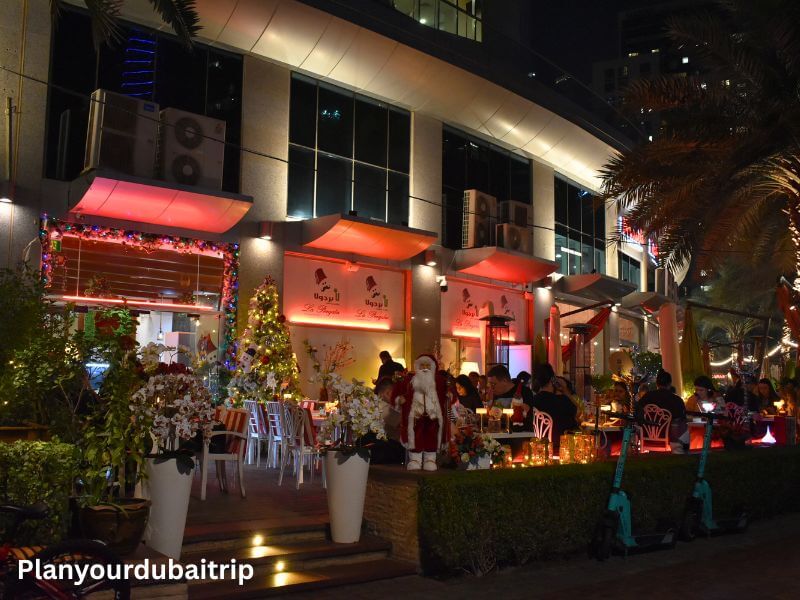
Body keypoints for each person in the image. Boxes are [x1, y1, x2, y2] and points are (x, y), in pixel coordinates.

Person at [393, 355, 450, 471]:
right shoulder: (409, 380)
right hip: (415, 415)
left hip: (433, 416)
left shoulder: (440, 381)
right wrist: (399, 399)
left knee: (432, 437)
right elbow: (397, 392)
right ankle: (415, 459)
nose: (425, 368)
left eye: (427, 366)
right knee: (415, 436)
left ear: (433, 367)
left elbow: (450, 391)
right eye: (422, 365)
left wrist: (449, 395)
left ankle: (430, 459)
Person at [635, 369, 688, 453]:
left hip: (647, 436)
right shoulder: (676, 400)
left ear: (657, 383)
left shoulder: (646, 397)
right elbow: (681, 418)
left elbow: (637, 414)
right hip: (670, 438)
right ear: (670, 384)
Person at [531, 363, 578, 454]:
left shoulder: (533, 400)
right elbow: (578, 411)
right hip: (563, 446)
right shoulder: (563, 400)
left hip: (541, 445)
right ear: (552, 379)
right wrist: (565, 390)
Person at [364, 377, 405, 464]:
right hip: (383, 451)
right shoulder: (385, 407)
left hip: (369, 450)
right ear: (387, 393)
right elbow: (402, 424)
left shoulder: (368, 404)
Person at [487, 364, 534, 430]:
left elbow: (527, 418)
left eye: (493, 384)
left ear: (504, 381)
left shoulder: (524, 392)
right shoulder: (496, 393)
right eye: (489, 384)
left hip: (519, 435)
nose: (491, 388)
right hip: (500, 434)